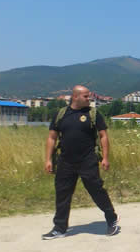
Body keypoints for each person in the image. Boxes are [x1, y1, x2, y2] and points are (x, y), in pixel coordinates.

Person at [42, 85, 120, 239]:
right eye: (86, 96)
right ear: (75, 97)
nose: (89, 99)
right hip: (65, 161)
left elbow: (103, 135)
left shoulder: (93, 114)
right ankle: (59, 228)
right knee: (62, 194)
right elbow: (52, 137)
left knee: (97, 190)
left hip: (87, 160)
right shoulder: (61, 114)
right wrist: (48, 159)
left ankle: (111, 219)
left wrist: (105, 157)